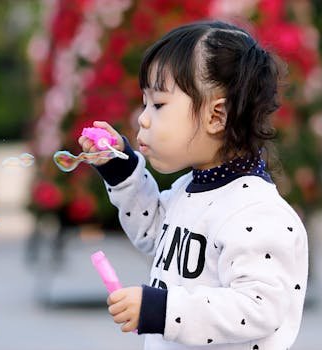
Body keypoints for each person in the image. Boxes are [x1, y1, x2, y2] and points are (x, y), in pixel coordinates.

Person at [78, 20, 308, 349]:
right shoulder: (191, 188)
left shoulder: (256, 213)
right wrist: (121, 169)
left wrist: (163, 309)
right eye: (145, 103)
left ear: (217, 116)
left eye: (158, 104)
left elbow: (259, 308)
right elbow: (153, 232)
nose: (143, 118)